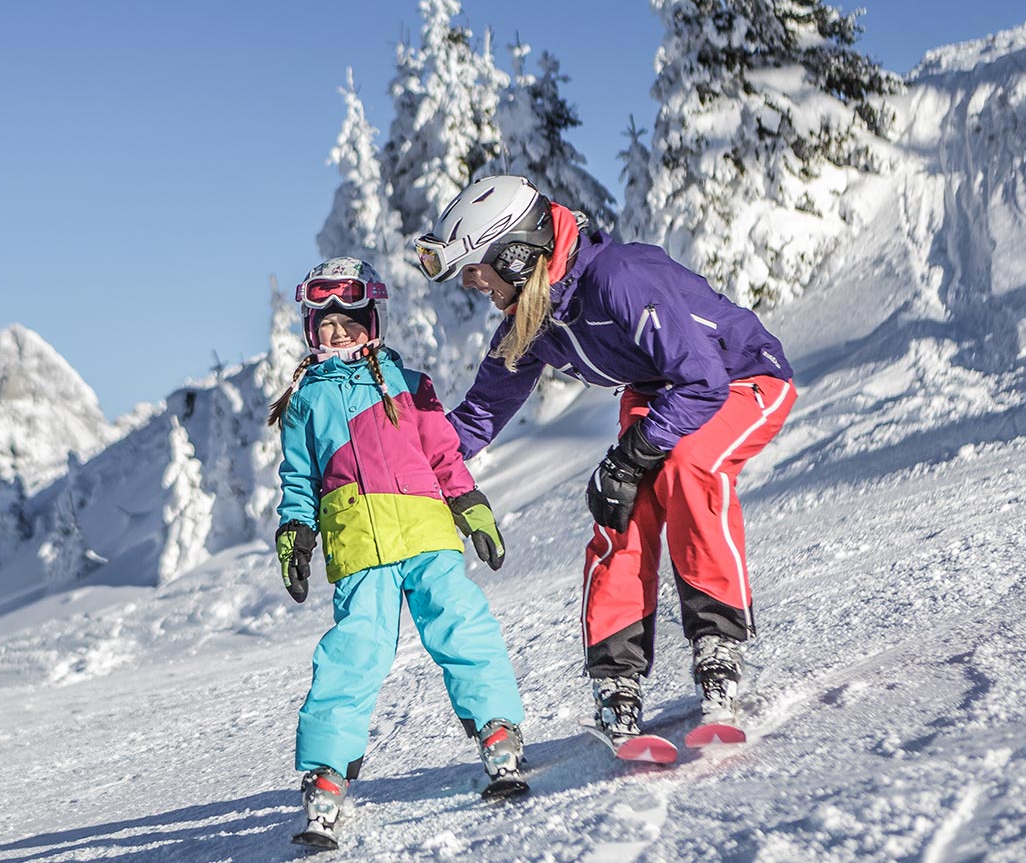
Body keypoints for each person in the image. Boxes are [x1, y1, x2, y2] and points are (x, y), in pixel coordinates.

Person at [410, 176, 796, 744]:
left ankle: (717, 646)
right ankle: (618, 682)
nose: (474, 284)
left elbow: (702, 380)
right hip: (660, 391)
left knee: (688, 465)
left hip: (740, 377)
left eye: (476, 269)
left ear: (514, 255)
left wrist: (635, 451)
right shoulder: (532, 318)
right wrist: (407, 473)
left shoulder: (619, 278)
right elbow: (478, 417)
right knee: (622, 506)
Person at [270, 256, 528, 840]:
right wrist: (294, 532)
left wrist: (471, 505)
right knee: (352, 654)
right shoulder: (304, 403)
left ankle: (498, 731)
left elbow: (444, 456)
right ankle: (326, 776)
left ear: (372, 319)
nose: (339, 332)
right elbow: (297, 481)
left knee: (460, 624)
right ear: (311, 331)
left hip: (427, 535)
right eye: (326, 323)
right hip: (358, 545)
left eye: (350, 319)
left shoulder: (410, 386)